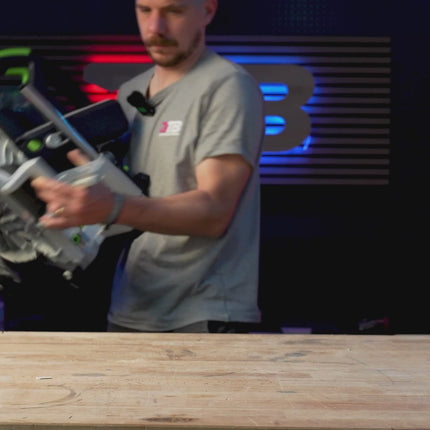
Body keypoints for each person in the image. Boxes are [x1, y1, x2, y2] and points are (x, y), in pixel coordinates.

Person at [31, 0, 265, 333]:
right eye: (145, 9)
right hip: (131, 306)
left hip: (202, 310)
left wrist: (112, 206)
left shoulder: (227, 86)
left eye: (174, 11)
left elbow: (214, 213)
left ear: (208, 11)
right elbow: (127, 199)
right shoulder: (131, 93)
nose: (155, 27)